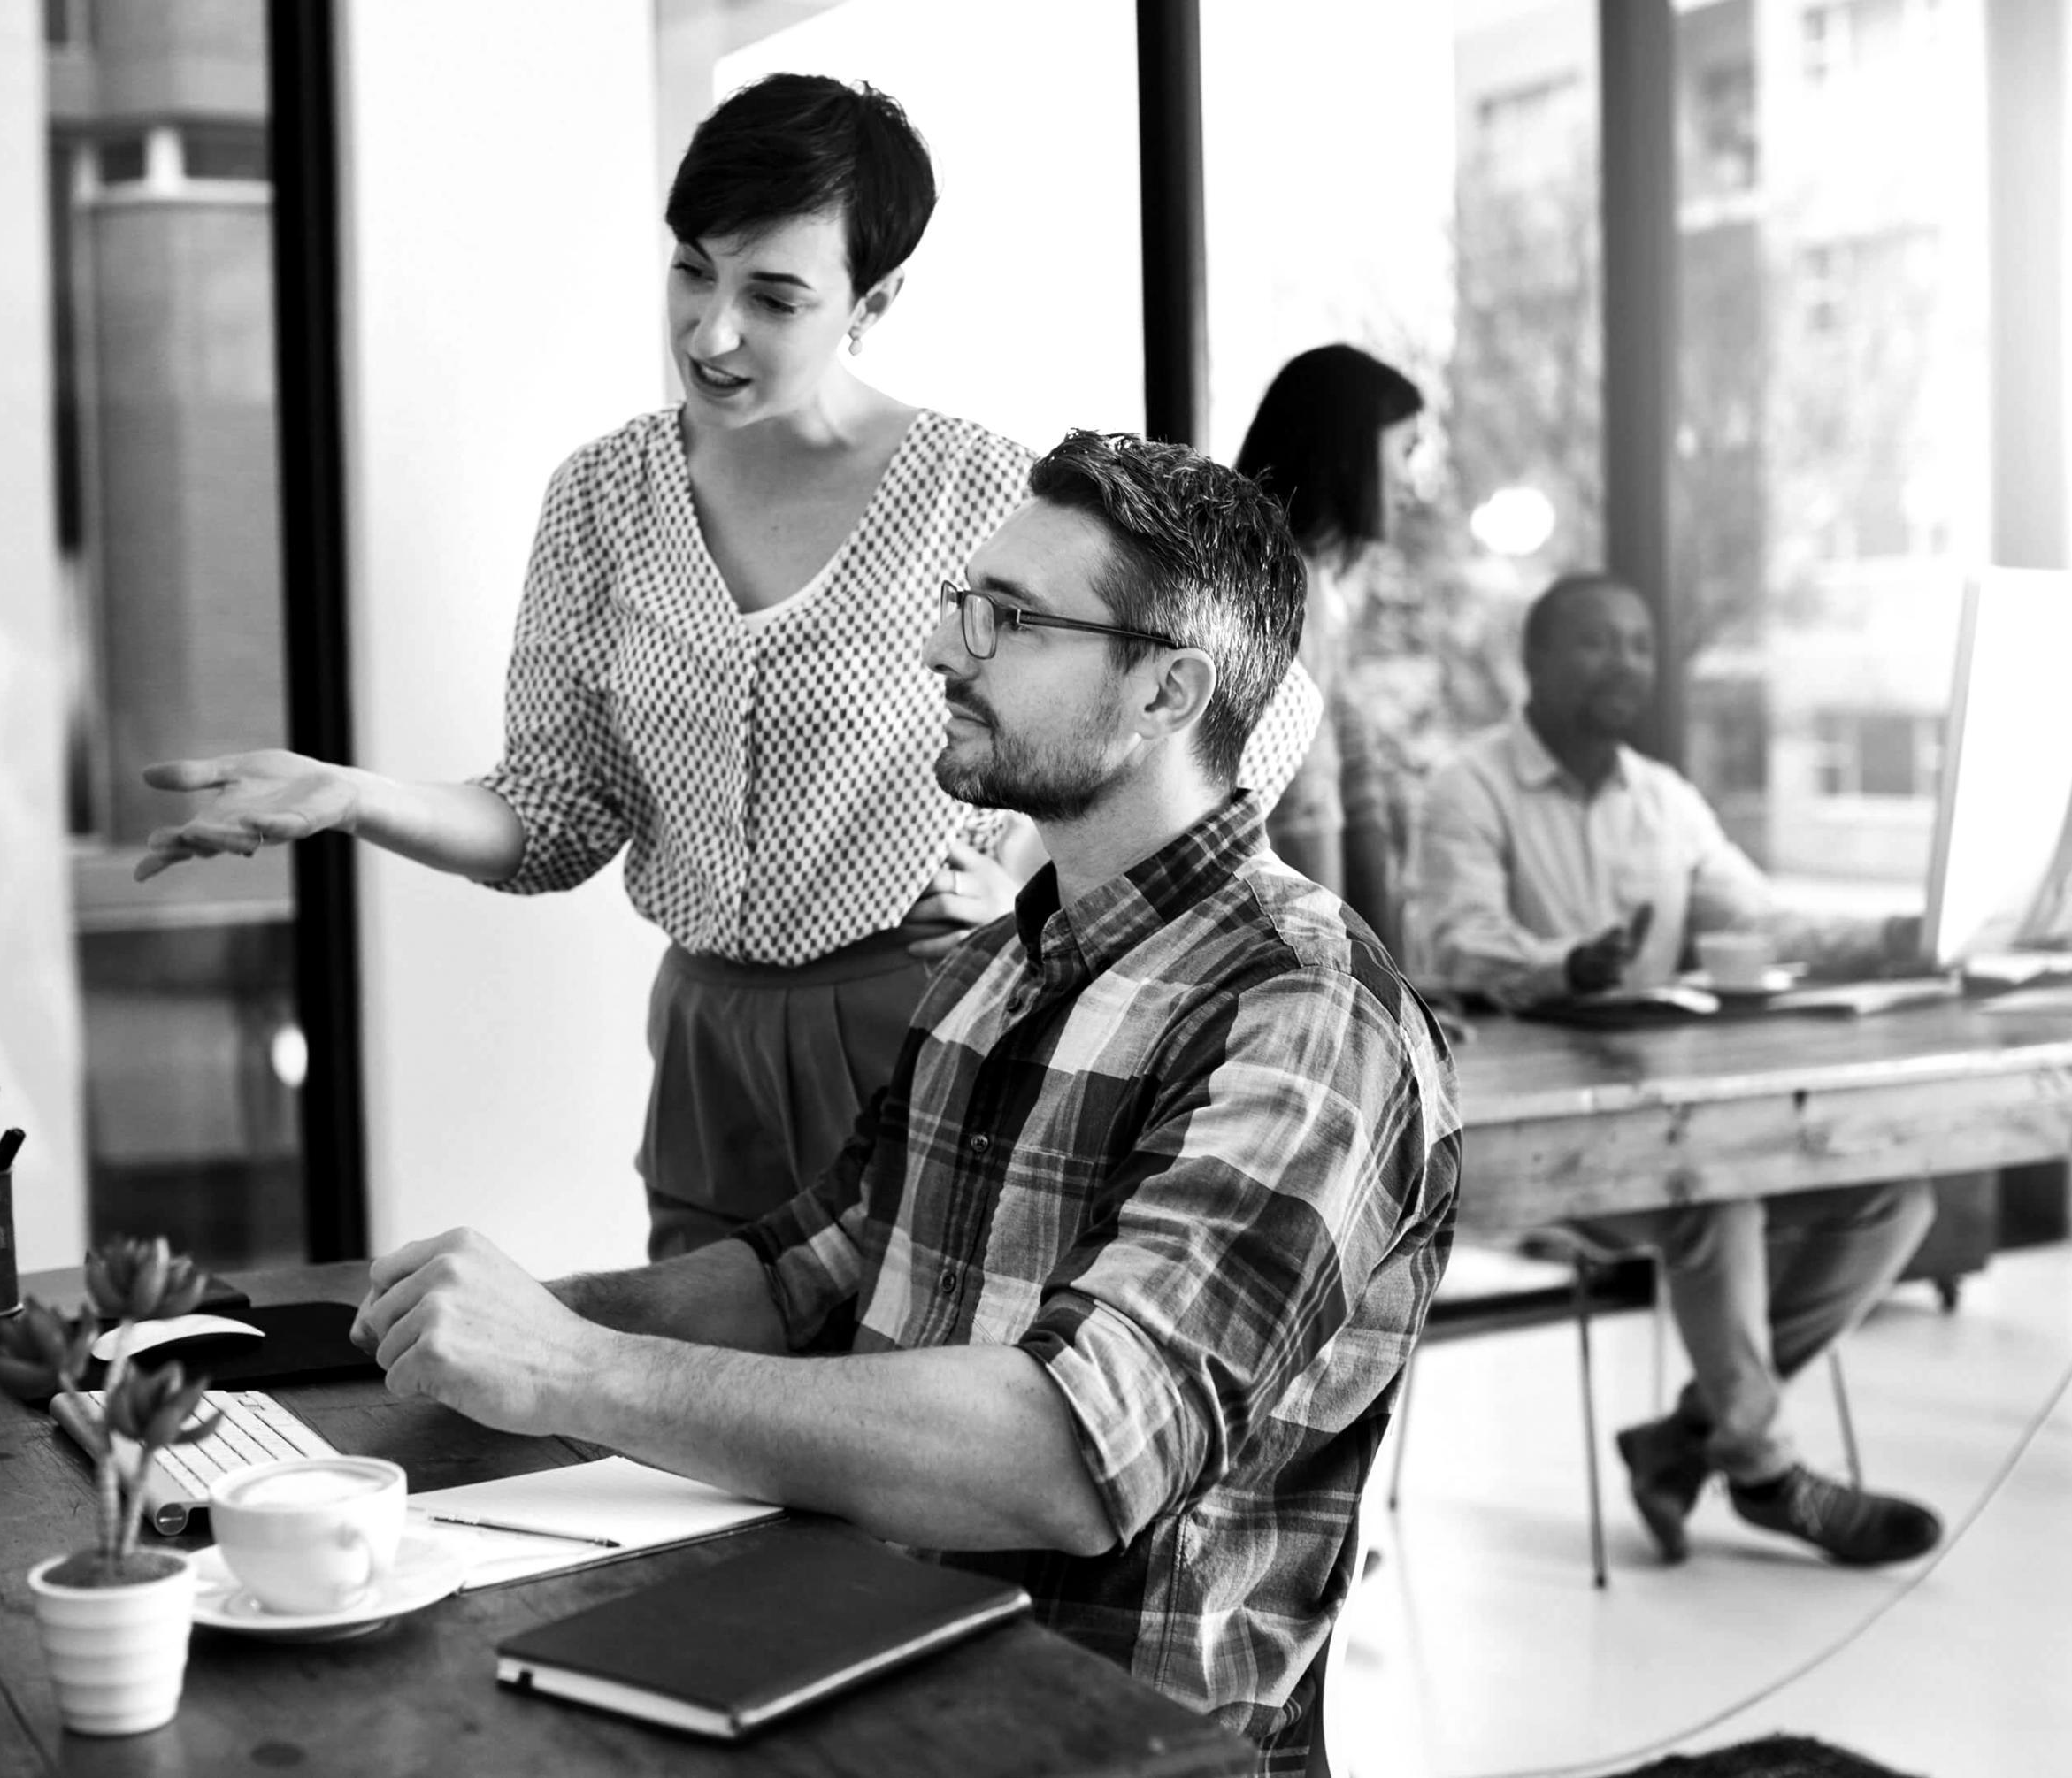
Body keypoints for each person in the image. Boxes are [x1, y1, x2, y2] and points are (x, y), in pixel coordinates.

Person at [351, 432, 1462, 1776]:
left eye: (1009, 620)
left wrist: (569, 1368)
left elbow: (1068, 1453)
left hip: (1097, 1741)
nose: (944, 650)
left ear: (1168, 691)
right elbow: (800, 1275)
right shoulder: (990, 966)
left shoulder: (1304, 1010)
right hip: (866, 1662)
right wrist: (482, 1316)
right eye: (960, 604)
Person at [132, 76, 1313, 1260]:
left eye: (773, 296)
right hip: (707, 1046)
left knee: (899, 1403)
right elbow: (552, 817)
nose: (710, 333)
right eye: (691, 270)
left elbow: (1257, 711)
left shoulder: (985, 491)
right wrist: (349, 796)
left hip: (931, 1015)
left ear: (874, 297)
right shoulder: (598, 497)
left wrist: (1028, 873)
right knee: (692, 1405)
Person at [1410, 570, 1944, 1568]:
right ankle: (1764, 1472)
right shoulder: (1466, 787)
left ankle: (1686, 1437)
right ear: (1533, 661)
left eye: (1640, 644)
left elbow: (1764, 920)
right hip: (1526, 1127)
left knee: (1891, 1192)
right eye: (1597, 641)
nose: (1626, 663)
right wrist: (1562, 966)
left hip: (1665, 1110)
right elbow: (1455, 942)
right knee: (1714, 1199)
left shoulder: (1665, 801)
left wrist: (1894, 935)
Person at [1232, 344, 1421, 952]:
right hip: (1289, 962)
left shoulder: (1309, 586)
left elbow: (1354, 782)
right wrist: (1340, 978)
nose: (1411, 484)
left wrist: (1390, 983)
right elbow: (1304, 806)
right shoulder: (1278, 584)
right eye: (1407, 451)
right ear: (1352, 451)